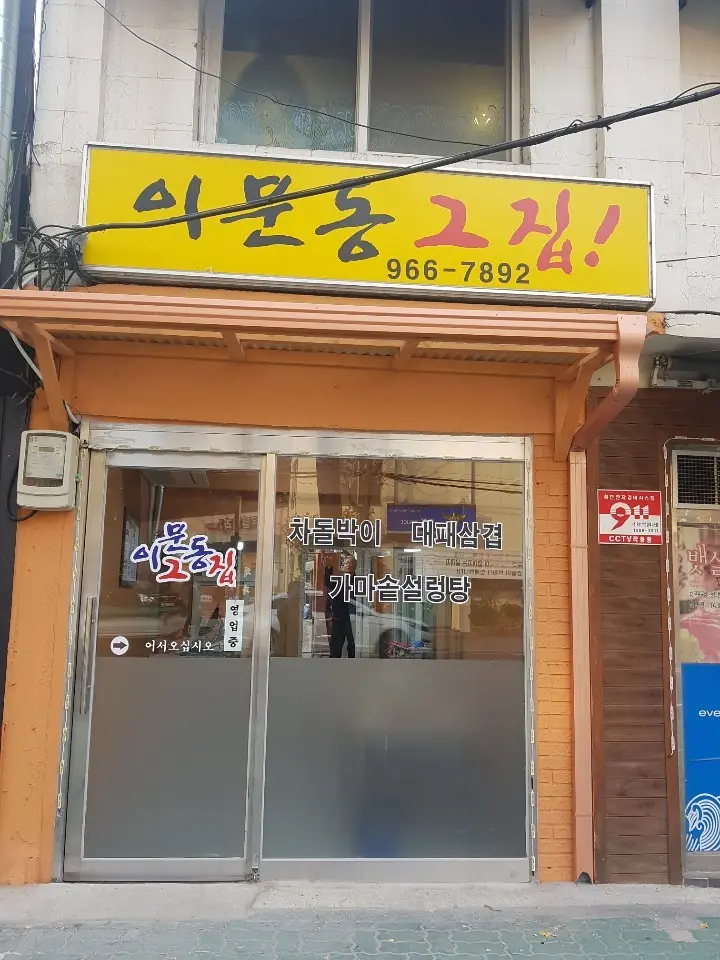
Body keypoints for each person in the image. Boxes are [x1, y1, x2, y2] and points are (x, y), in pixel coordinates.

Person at [324, 553, 356, 658]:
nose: (348, 565)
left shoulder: (358, 581)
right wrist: (328, 568)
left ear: (355, 566)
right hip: (338, 618)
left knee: (352, 646)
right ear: (343, 565)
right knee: (336, 647)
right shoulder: (339, 580)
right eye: (346, 563)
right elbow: (328, 583)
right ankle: (334, 666)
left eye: (351, 563)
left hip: (352, 618)